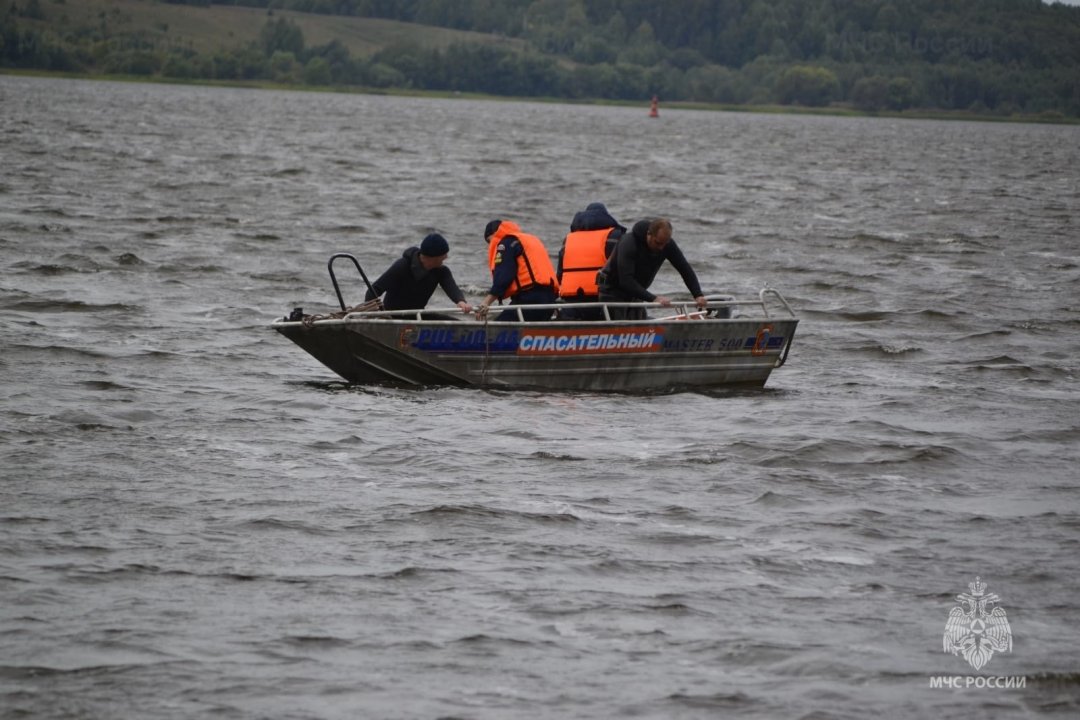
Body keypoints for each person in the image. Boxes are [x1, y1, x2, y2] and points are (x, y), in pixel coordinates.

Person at [597, 218, 707, 320]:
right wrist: (653, 298)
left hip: (636, 294)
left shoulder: (666, 245)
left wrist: (697, 294)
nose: (661, 248)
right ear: (649, 234)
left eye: (664, 244)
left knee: (641, 329)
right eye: (658, 243)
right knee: (621, 329)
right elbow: (626, 280)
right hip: (612, 291)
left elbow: (685, 269)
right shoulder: (629, 243)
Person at [364, 233, 472, 313]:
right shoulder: (402, 266)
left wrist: (461, 301)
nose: (446, 257)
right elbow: (374, 290)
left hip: (417, 315)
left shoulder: (441, 271)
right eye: (443, 255)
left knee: (454, 325)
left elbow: (451, 287)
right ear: (431, 257)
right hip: (393, 316)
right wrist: (374, 314)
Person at [477, 219, 559, 322]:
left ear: (495, 234)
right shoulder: (530, 240)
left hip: (530, 299)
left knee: (495, 330)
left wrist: (486, 302)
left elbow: (503, 277)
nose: (490, 246)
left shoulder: (505, 243)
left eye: (489, 241)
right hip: (550, 300)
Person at [556, 202, 626, 320]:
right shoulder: (613, 236)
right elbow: (622, 269)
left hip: (572, 302)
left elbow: (560, 273)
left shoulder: (569, 239)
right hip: (601, 300)